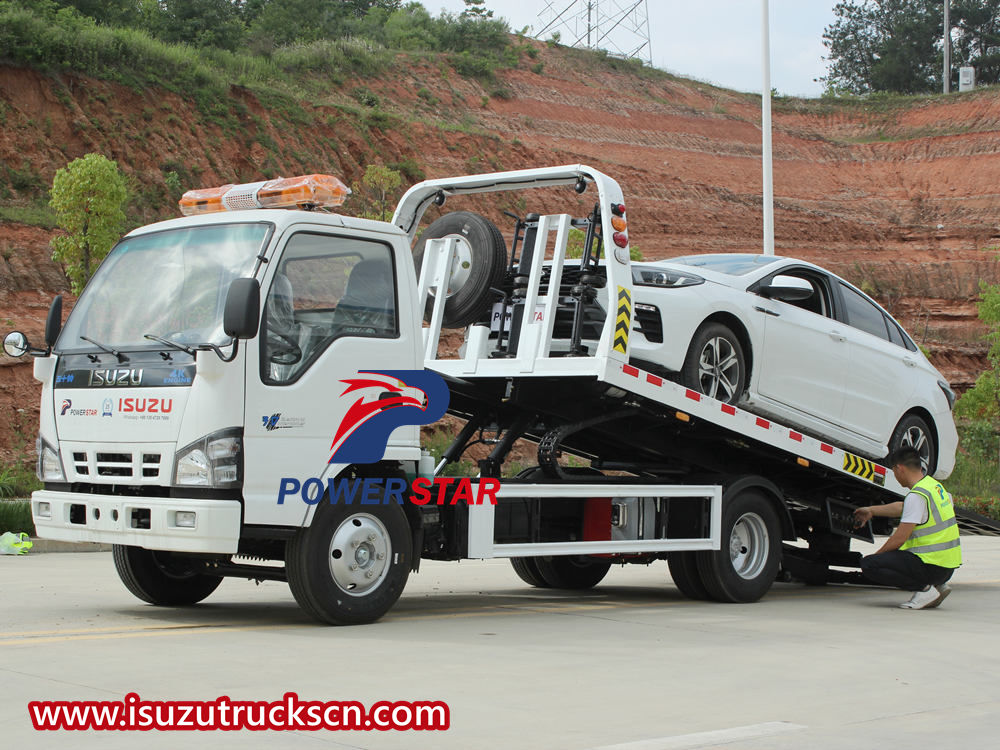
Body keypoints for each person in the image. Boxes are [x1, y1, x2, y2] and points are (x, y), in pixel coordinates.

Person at [853, 447, 962, 609]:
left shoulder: (917, 496)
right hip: (946, 567)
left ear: (899, 468)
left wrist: (877, 558)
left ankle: (925, 590)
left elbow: (900, 538)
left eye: (894, 471)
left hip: (931, 566)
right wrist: (872, 511)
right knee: (883, 560)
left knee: (869, 565)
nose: (895, 476)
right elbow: (903, 507)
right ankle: (937, 586)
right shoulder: (933, 486)